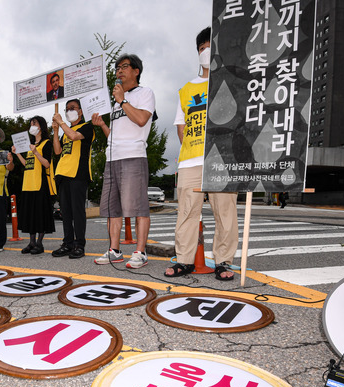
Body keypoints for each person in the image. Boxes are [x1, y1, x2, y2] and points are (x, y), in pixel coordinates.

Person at [164, 27, 238, 281]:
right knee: (186, 211)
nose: (206, 51)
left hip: (223, 159)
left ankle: (223, 262)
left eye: (210, 46)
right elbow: (181, 128)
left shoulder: (231, 82)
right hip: (191, 160)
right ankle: (184, 260)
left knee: (225, 212)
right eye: (202, 47)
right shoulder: (186, 90)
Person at [92, 54, 156, 269]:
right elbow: (114, 136)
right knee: (112, 208)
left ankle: (140, 252)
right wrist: (102, 125)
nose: (119, 71)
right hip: (113, 158)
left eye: (124, 67)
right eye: (117, 67)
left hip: (133, 156)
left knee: (138, 207)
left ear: (136, 71)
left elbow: (140, 120)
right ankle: (115, 250)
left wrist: (122, 100)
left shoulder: (144, 93)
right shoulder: (117, 102)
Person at [51, 99, 94, 259]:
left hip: (78, 175)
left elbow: (74, 136)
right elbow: (57, 151)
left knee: (77, 212)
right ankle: (68, 243)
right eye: (67, 109)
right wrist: (56, 131)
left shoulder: (87, 127)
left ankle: (79, 244)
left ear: (81, 111)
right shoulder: (64, 131)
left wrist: (61, 122)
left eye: (73, 108)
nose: (69, 111)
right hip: (63, 174)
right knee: (66, 213)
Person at [13, 116, 56, 254]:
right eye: (31, 124)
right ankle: (31, 243)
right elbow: (27, 164)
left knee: (40, 214)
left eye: (34, 123)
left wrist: (36, 152)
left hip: (40, 184)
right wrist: (18, 154)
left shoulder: (46, 143)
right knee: (30, 215)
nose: (32, 126)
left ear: (41, 126)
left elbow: (47, 163)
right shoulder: (29, 145)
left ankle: (39, 243)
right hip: (28, 184)